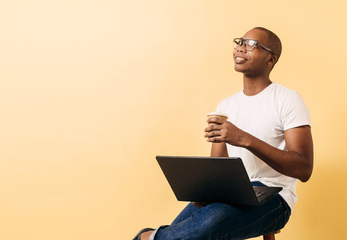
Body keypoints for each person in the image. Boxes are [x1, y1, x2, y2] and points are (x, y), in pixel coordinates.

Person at [133, 27, 314, 240]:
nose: (241, 48)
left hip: (276, 197)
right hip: (233, 193)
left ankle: (146, 237)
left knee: (210, 222)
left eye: (252, 45)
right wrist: (206, 192)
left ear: (270, 59)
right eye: (240, 42)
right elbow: (217, 168)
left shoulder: (287, 99)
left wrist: (243, 139)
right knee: (194, 224)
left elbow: (304, 169)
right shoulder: (226, 105)